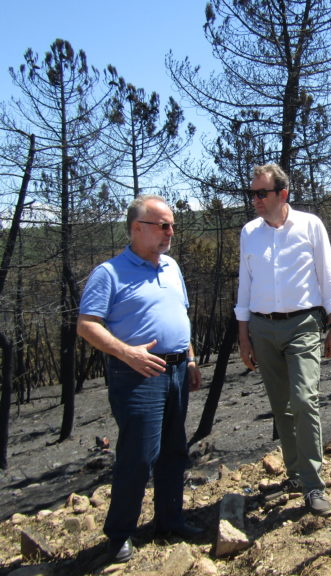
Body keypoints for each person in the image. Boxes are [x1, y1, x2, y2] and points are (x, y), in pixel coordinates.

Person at [77, 195, 203, 563]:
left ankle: (169, 520)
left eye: (172, 225)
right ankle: (119, 535)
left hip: (178, 370)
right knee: (139, 455)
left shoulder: (172, 267)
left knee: (174, 451)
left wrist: (191, 359)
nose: (171, 232)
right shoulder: (109, 273)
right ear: (137, 228)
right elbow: (86, 325)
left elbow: (180, 316)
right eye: (163, 225)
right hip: (137, 373)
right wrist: (126, 352)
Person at [235, 163, 331, 517]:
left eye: (261, 193)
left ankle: (314, 486)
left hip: (304, 325)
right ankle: (295, 472)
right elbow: (245, 288)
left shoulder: (310, 225)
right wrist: (245, 338)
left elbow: (328, 276)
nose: (255, 200)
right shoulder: (249, 233)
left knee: (303, 399)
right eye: (253, 193)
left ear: (283, 194)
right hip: (262, 330)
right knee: (281, 406)